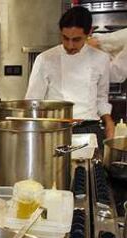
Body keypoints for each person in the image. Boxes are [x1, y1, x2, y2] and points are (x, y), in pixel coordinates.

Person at [25, 6, 115, 147]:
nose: (69, 45)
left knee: (91, 169)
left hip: (89, 130)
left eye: (76, 39)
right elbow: (32, 103)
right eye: (65, 38)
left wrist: (109, 121)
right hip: (55, 130)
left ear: (89, 33)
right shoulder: (45, 59)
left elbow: (101, 98)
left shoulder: (101, 59)